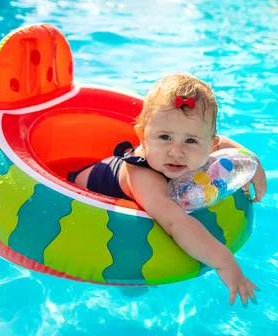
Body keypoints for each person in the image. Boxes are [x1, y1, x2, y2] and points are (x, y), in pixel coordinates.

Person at [68, 74, 267, 306]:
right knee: (131, 284)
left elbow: (225, 143)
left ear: (210, 146)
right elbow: (176, 223)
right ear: (142, 137)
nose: (176, 151)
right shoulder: (143, 176)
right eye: (164, 137)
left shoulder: (190, 149)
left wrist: (255, 164)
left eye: (191, 141)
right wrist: (225, 262)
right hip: (82, 194)